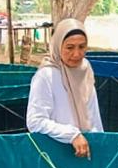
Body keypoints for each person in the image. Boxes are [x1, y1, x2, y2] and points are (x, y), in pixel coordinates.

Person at [27, 18, 103, 157]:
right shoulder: (46, 75)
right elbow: (35, 121)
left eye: (82, 47)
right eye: (69, 47)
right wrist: (71, 135)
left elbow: (93, 114)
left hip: (85, 148)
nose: (76, 54)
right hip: (55, 151)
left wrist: (99, 140)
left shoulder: (85, 69)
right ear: (58, 46)